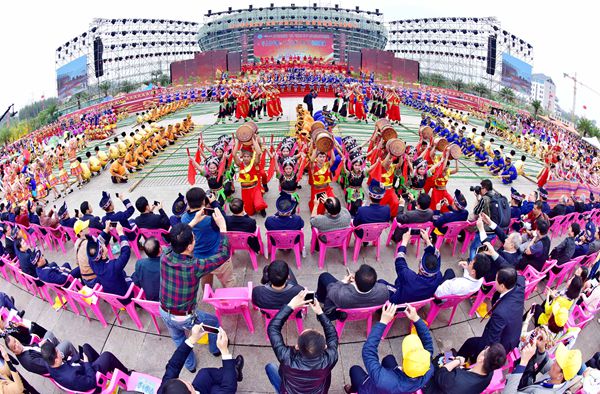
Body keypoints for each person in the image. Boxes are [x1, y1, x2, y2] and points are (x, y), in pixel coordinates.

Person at [160, 221, 230, 372]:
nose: (195, 239)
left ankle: (190, 365)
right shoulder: (194, 266)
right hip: (184, 317)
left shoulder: (164, 255)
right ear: (190, 246)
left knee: (179, 339)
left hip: (164, 312)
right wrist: (223, 229)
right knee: (214, 322)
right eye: (193, 238)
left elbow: (174, 241)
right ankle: (215, 349)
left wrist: (192, 222)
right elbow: (223, 254)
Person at [345, 304, 433, 394]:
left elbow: (368, 352)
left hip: (372, 389)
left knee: (355, 370)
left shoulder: (383, 380)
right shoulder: (428, 368)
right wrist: (416, 319)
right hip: (405, 384)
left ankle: (353, 390)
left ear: (403, 363)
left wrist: (383, 322)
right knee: (389, 359)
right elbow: (428, 342)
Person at [265, 290, 338, 394]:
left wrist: (291, 306)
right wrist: (320, 313)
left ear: (297, 346)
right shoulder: (330, 358)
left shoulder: (286, 358)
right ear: (325, 346)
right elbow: (332, 336)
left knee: (270, 367)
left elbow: (272, 328)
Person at [457, 267, 525, 362]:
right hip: (512, 334)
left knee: (471, 343)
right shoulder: (520, 285)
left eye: (496, 280)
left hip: (502, 344)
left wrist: (483, 355)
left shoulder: (500, 313)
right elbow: (516, 273)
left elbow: (492, 339)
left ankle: (463, 360)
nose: (494, 281)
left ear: (502, 286)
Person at [157, 325, 244, 394]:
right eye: (188, 385)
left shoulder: (164, 390)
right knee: (218, 390)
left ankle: (234, 372)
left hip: (199, 390)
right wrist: (224, 351)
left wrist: (191, 340)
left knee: (204, 373)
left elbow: (173, 366)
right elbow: (228, 389)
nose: (189, 382)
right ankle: (233, 373)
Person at [381, 230, 455, 304]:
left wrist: (404, 241)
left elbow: (400, 260)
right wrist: (427, 241)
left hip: (398, 303)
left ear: (420, 267)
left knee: (381, 283)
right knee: (399, 279)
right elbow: (437, 256)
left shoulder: (408, 276)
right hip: (418, 302)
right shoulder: (438, 276)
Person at [181, 187, 234, 288]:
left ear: (188, 202)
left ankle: (208, 295)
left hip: (199, 259)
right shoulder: (210, 217)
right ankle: (230, 299)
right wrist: (214, 203)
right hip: (218, 256)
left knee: (205, 282)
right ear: (203, 201)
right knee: (229, 281)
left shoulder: (184, 218)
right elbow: (222, 219)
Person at [41, 340, 130, 393]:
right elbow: (91, 383)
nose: (59, 352)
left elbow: (68, 365)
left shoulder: (49, 364)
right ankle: (127, 376)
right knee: (107, 356)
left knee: (86, 347)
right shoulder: (71, 376)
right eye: (57, 352)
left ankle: (107, 366)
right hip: (92, 379)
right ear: (56, 360)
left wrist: (78, 359)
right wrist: (86, 363)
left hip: (80, 370)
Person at [422, 343, 507, 394]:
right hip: (454, 385)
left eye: (485, 349)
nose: (483, 349)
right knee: (451, 353)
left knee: (439, 359)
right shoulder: (489, 373)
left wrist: (458, 361)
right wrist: (460, 367)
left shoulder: (457, 380)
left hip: (435, 387)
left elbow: (440, 373)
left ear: (482, 359)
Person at [315, 264, 389, 321]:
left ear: (355, 281)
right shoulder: (384, 291)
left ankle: (320, 298)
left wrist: (343, 282)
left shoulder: (341, 295)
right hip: (366, 309)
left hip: (345, 307)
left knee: (324, 276)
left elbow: (332, 290)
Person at [504, 341, 582, 393]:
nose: (553, 362)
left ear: (560, 376)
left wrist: (523, 362)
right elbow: (545, 362)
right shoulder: (562, 379)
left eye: (557, 363)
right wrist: (542, 349)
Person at [87, 222, 132, 300]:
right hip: (124, 296)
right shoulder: (113, 266)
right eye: (103, 246)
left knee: (122, 273)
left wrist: (105, 230)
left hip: (111, 297)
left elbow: (98, 243)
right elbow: (126, 253)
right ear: (103, 254)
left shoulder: (91, 261)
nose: (104, 245)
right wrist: (121, 233)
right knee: (134, 278)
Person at [132, 237, 161, 301]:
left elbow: (136, 282)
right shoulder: (166, 265)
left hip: (150, 301)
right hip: (166, 300)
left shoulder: (140, 263)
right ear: (160, 249)